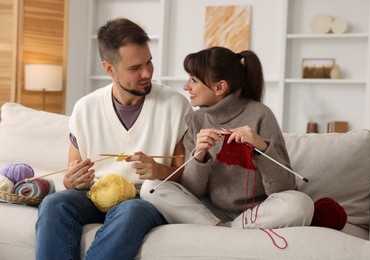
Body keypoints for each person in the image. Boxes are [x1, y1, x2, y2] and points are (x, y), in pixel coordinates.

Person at [35, 18, 192, 259]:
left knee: (130, 211)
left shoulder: (175, 105)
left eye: (149, 62)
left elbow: (188, 174)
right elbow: (71, 175)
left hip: (145, 199)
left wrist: (159, 170)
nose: (147, 72)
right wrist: (73, 180)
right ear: (109, 69)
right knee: (55, 203)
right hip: (96, 195)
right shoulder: (85, 108)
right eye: (134, 68)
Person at [141, 46, 314, 229]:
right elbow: (192, 191)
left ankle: (227, 230)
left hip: (259, 212)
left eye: (193, 80)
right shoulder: (196, 120)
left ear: (220, 87)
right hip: (212, 211)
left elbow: (284, 188)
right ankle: (220, 227)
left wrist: (261, 148)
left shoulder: (261, 115)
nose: (186, 87)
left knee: (301, 204)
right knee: (151, 187)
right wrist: (199, 155)